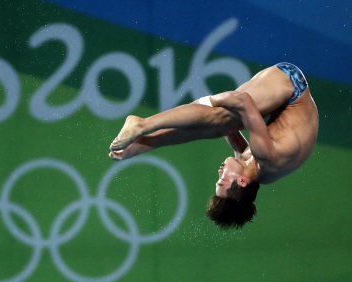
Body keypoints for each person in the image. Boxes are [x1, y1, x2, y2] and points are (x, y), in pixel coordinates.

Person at [108, 63, 318, 229]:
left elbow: (226, 129)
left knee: (218, 127)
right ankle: (143, 125)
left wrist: (201, 114)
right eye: (222, 181)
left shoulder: (252, 167)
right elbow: (242, 101)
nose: (219, 173)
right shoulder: (266, 156)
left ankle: (147, 142)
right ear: (243, 182)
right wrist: (207, 102)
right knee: (221, 117)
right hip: (292, 85)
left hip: (283, 100)